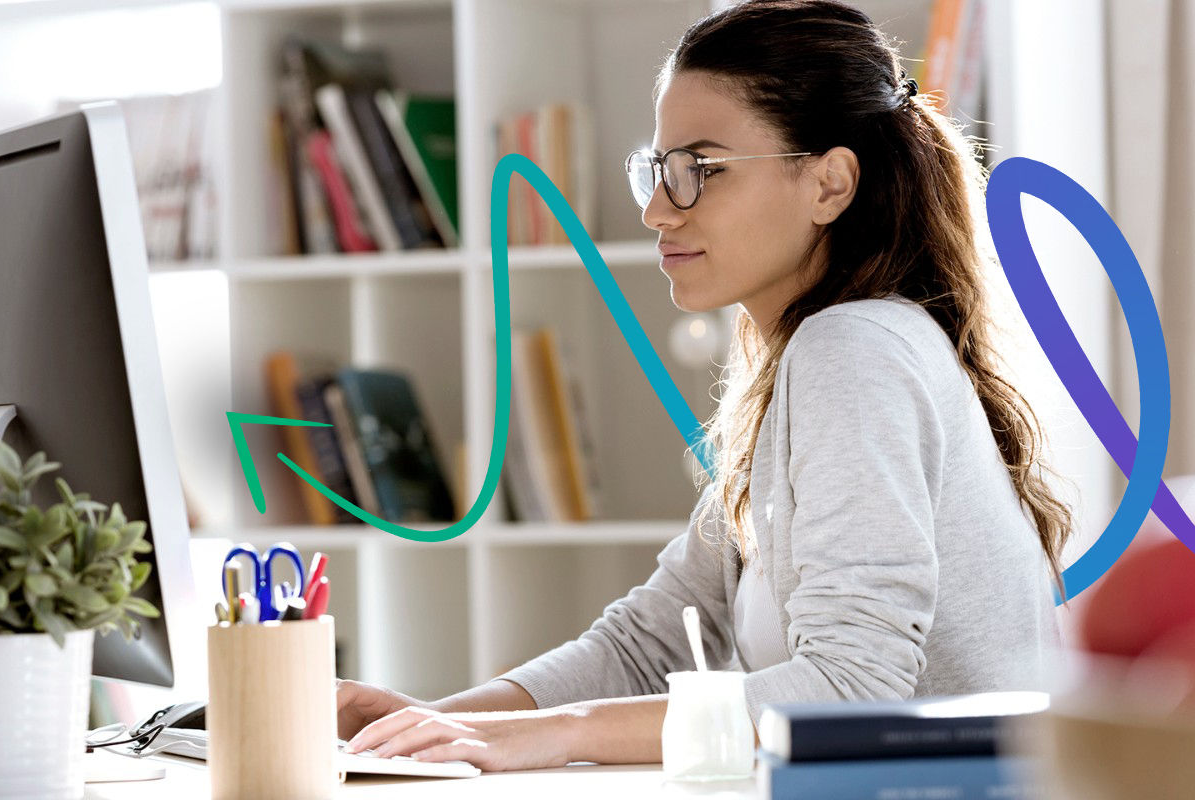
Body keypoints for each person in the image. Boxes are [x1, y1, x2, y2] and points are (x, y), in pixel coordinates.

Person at [334, 0, 1072, 772]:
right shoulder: (810, 365)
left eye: (700, 171)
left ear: (830, 184)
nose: (658, 210)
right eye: (657, 171)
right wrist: (428, 726)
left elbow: (853, 686)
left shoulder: (853, 353)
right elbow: (645, 642)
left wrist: (558, 733)